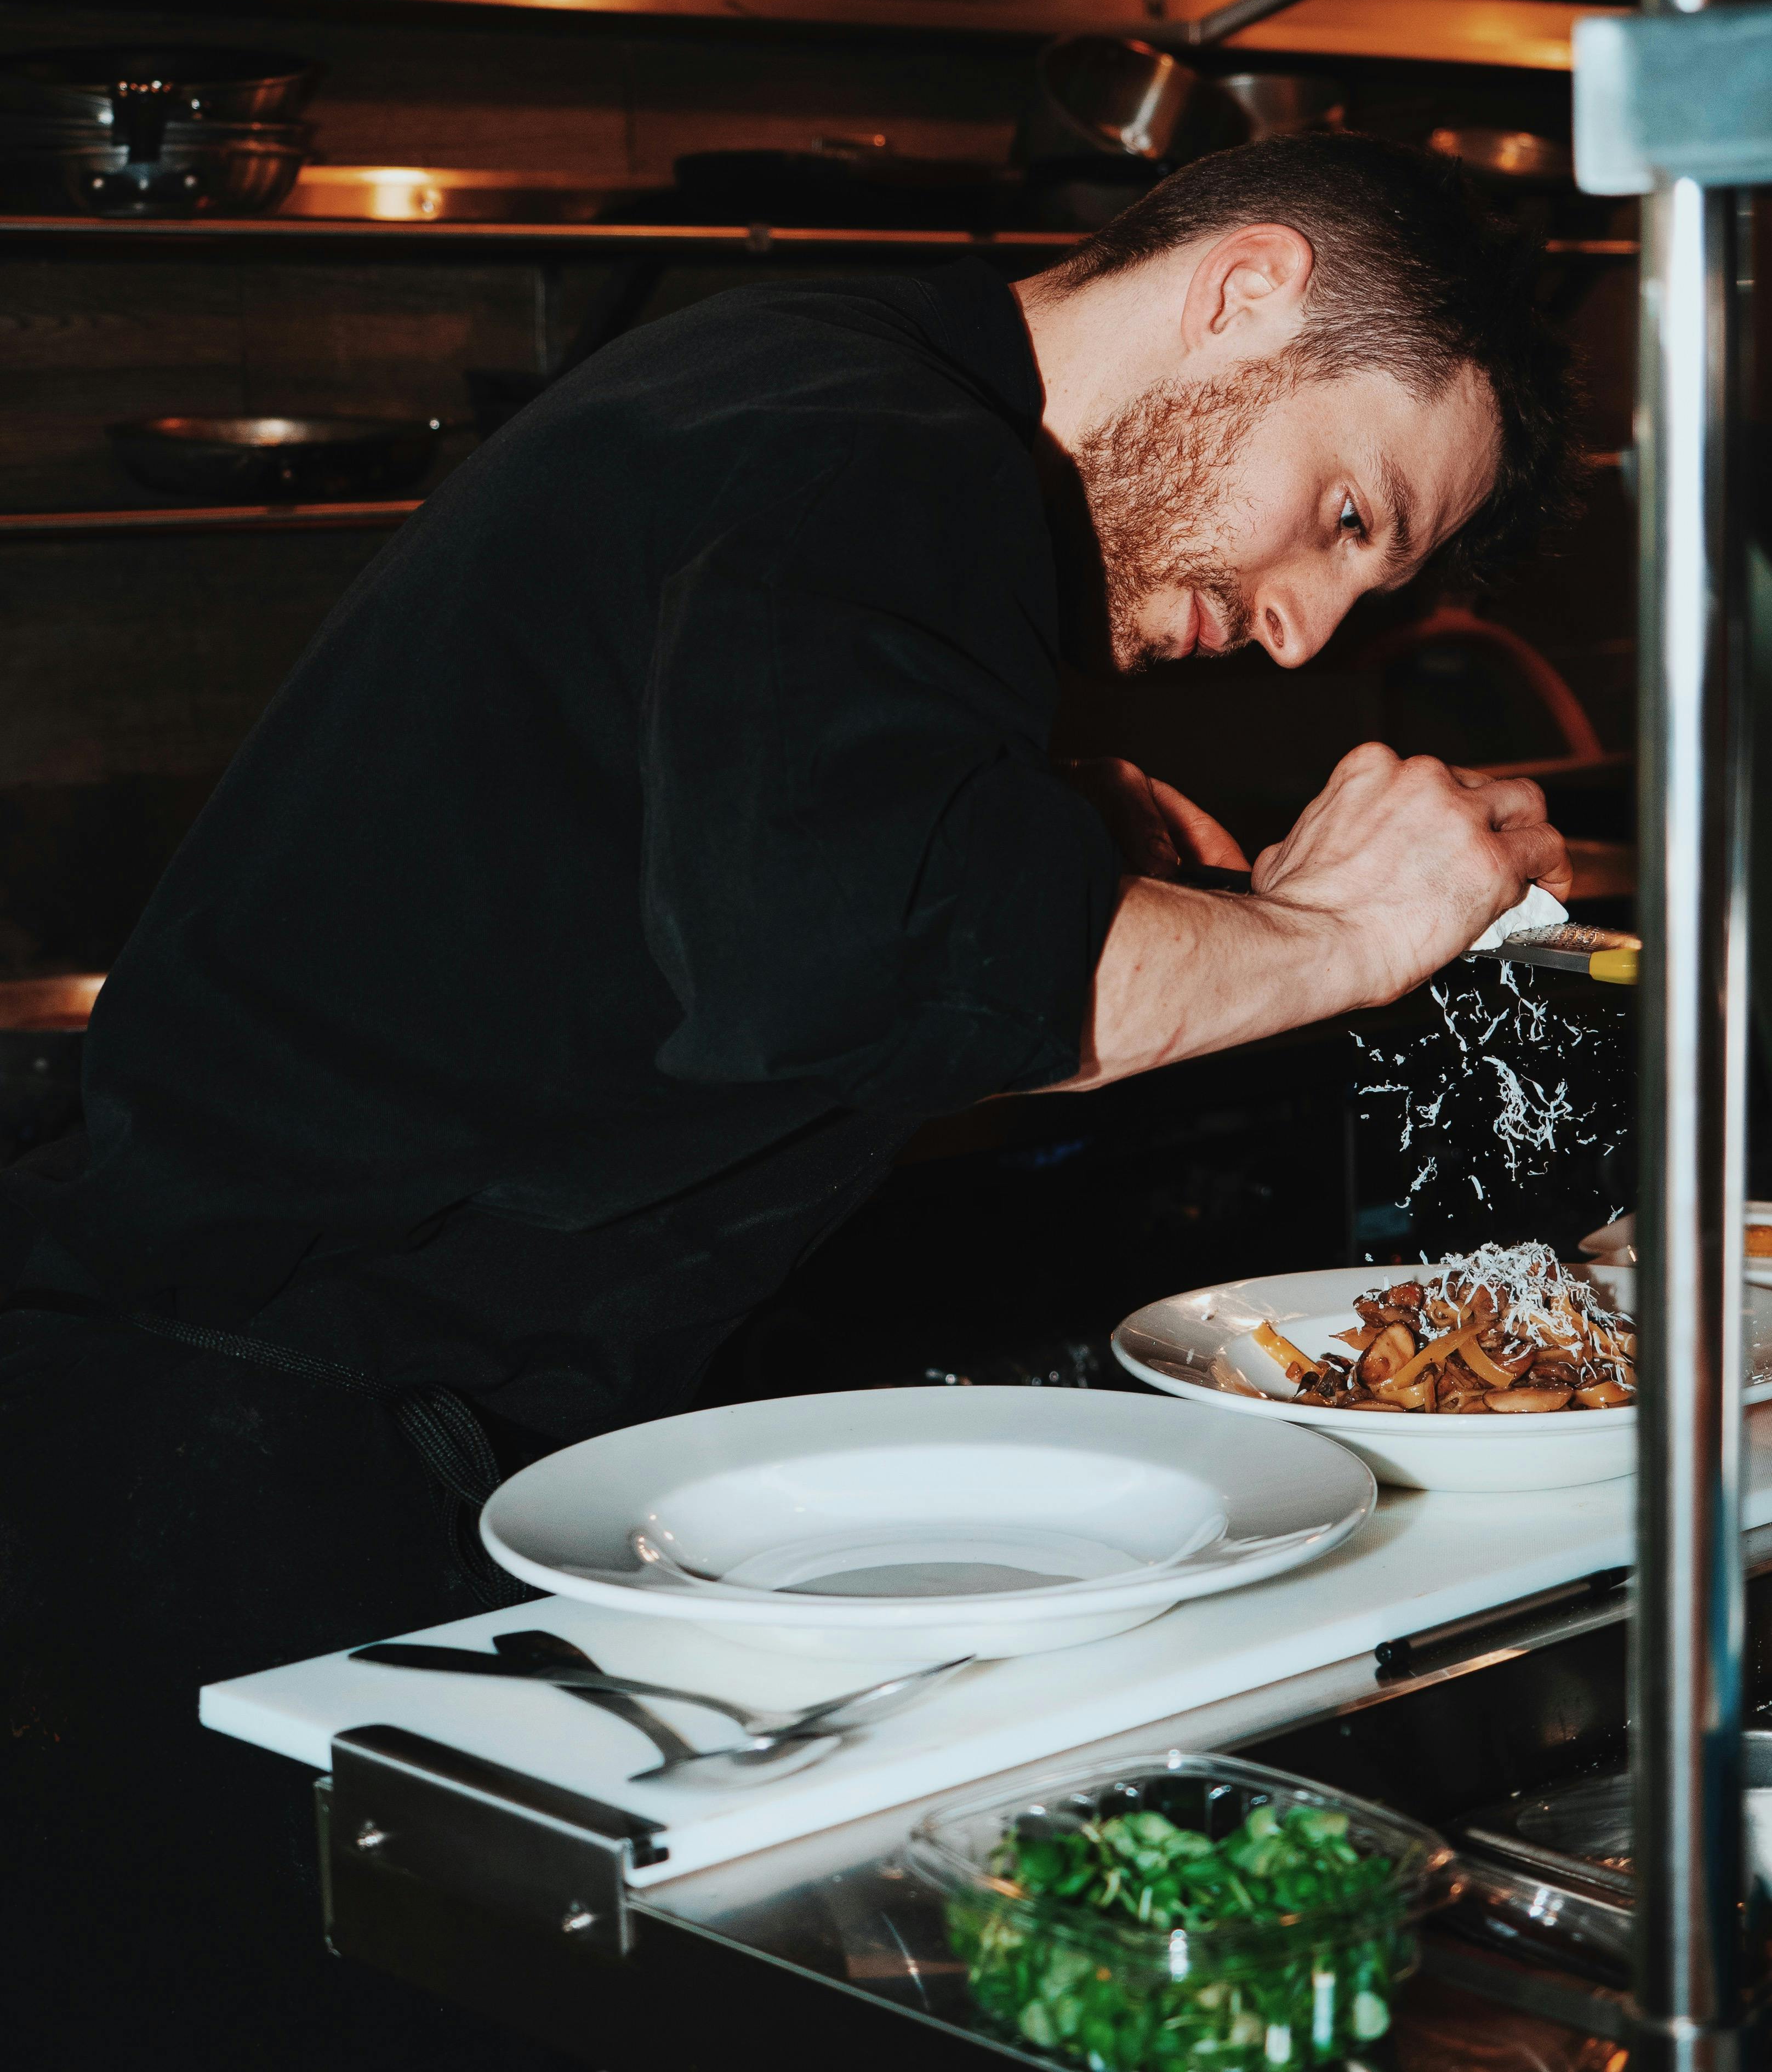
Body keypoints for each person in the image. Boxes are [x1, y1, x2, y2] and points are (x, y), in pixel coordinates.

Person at [0, 133, 1577, 2068]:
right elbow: (888, 972)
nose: (1302, 628)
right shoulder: (887, 452)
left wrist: (1129, 877)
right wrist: (1341, 938)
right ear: (1243, 289)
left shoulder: (819, 386)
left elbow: (755, 899)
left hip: (278, 1415)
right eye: (1342, 514)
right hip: (227, 1458)